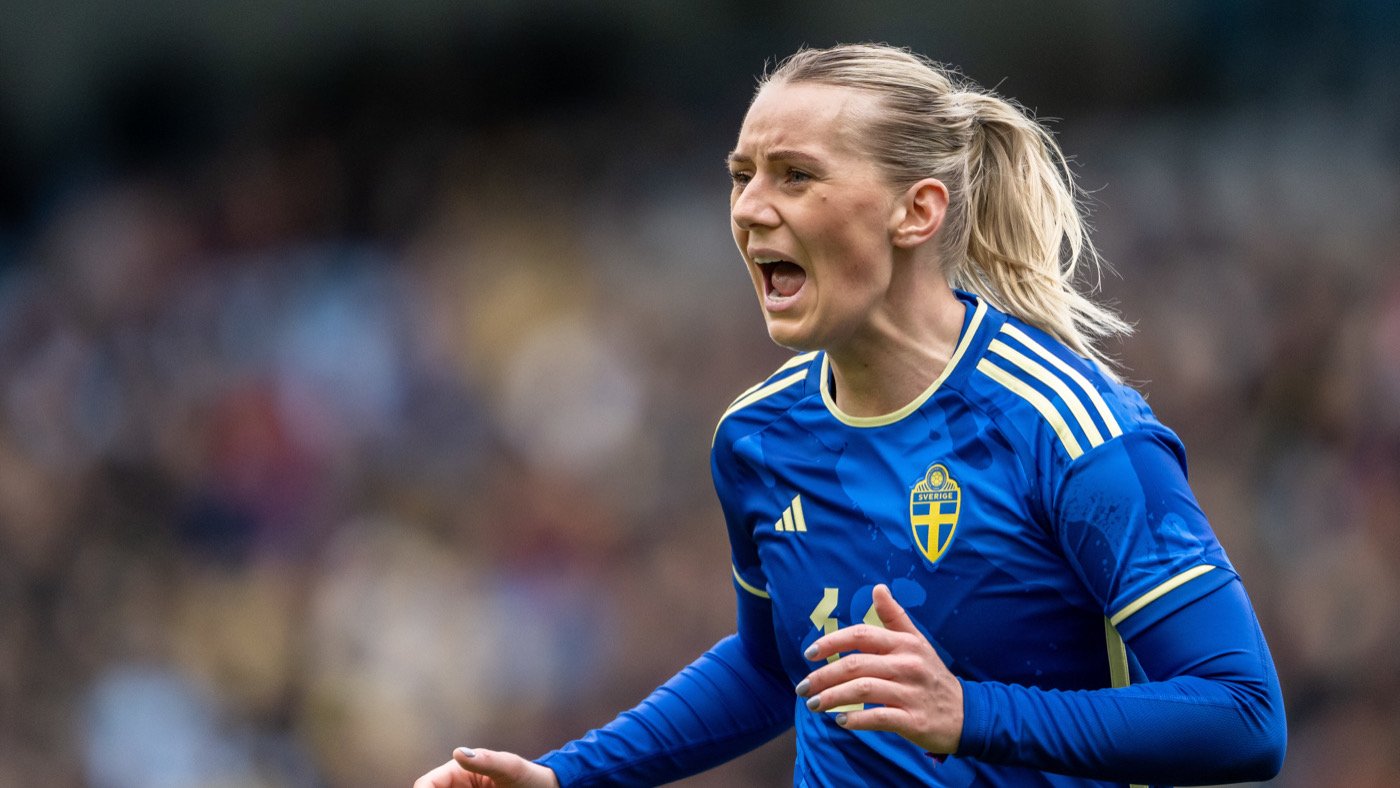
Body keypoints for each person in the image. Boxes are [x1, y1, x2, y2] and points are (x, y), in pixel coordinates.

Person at [415, 43, 1287, 787]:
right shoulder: (759, 437)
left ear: (917, 211)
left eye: (795, 176)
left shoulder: (1069, 430)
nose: (750, 208)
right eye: (742, 176)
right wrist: (568, 776)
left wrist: (970, 713)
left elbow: (1243, 714)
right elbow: (775, 664)